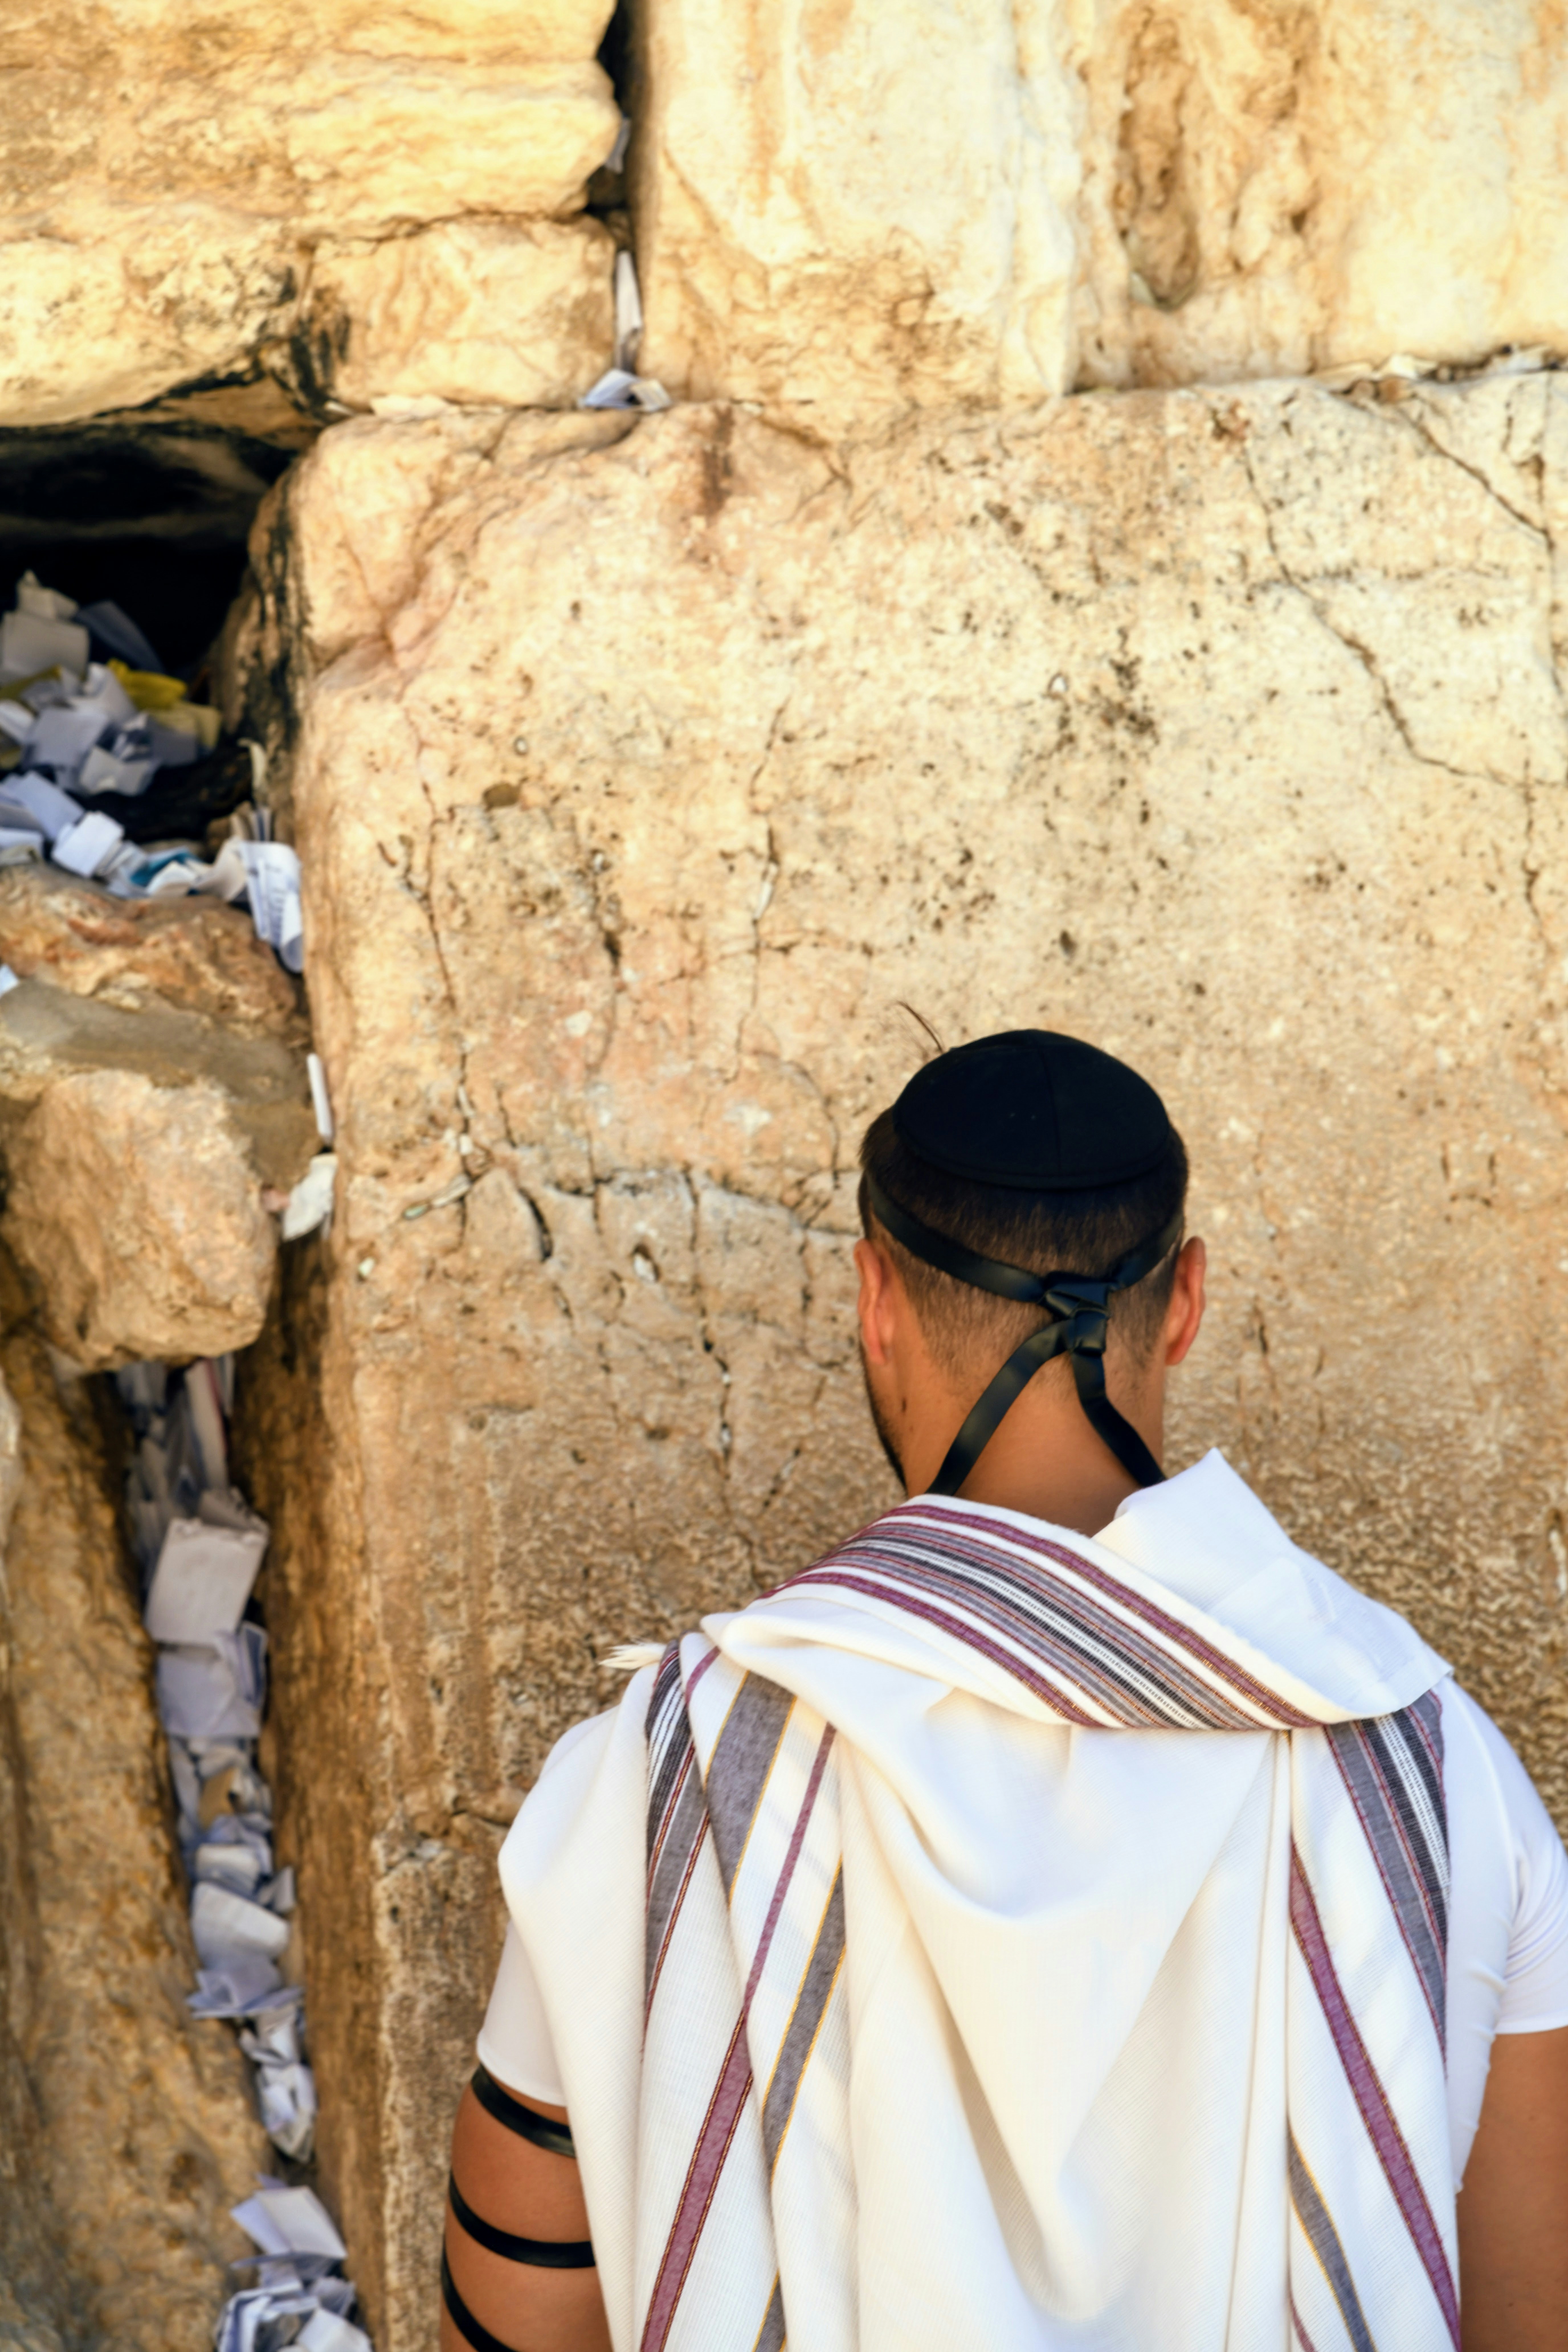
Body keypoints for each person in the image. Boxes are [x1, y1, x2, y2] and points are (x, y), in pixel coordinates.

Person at [440, 1029, 1568, 2352]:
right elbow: (1524, 2310)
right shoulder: (1434, 1773)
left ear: (873, 1298)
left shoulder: (662, 1773)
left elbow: (512, 2307)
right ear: (1187, 1298)